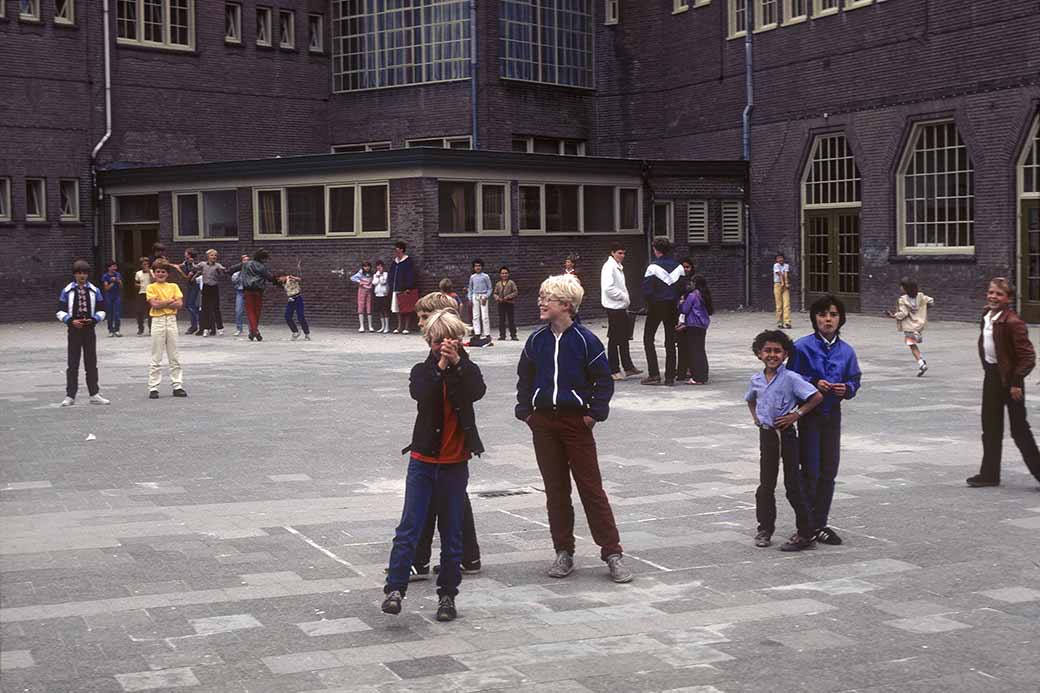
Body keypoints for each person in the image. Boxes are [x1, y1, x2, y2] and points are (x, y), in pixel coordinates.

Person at [515, 275, 632, 584]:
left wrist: (593, 415)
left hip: (575, 425)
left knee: (591, 489)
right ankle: (563, 551)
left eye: (547, 299)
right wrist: (526, 412)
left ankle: (612, 552)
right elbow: (524, 377)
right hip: (543, 425)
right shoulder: (536, 340)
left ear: (566, 306)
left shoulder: (586, 340)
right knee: (555, 490)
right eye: (541, 297)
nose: (540, 302)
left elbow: (603, 381)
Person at [382, 308, 486, 622]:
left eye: (451, 340)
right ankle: (395, 589)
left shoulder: (467, 370)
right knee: (409, 527)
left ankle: (447, 596)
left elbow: (477, 391)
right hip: (423, 461)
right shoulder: (421, 370)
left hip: (454, 463)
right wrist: (440, 365)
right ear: (429, 341)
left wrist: (457, 363)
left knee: (452, 532)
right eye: (438, 341)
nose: (445, 345)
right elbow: (422, 395)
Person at [788, 294, 861, 546]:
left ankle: (820, 522)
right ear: (814, 319)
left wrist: (847, 389)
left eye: (832, 314)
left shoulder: (846, 351)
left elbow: (854, 379)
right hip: (809, 415)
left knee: (829, 469)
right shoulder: (801, 347)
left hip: (832, 415)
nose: (827, 319)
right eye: (822, 314)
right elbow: (791, 378)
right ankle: (806, 524)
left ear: (840, 319)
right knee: (810, 470)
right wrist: (812, 382)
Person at [746, 330, 823, 551]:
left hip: (786, 436)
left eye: (777, 351)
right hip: (767, 435)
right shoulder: (757, 379)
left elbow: (816, 396)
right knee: (765, 485)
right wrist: (757, 420)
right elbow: (750, 400)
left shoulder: (791, 378)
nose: (772, 355)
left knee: (793, 485)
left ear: (785, 354)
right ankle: (765, 528)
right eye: (767, 350)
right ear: (759, 354)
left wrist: (796, 414)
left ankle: (806, 532)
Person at [967, 278, 1040, 488]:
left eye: (999, 294)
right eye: (991, 292)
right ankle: (989, 474)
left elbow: (1028, 357)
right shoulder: (987, 316)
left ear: (1008, 299)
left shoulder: (1013, 322)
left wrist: (1017, 382)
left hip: (1011, 381)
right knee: (990, 427)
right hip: (992, 376)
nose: (993, 297)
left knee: (1019, 430)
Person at [56, 260, 111, 406]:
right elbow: (59, 310)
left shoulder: (94, 290)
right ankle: (70, 395)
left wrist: (94, 319)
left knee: (91, 362)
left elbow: (102, 309)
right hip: (74, 330)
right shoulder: (67, 291)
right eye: (79, 273)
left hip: (89, 330)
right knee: (73, 363)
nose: (82, 276)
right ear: (74, 274)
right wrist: (70, 321)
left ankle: (94, 393)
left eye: (84, 273)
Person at [641, 237, 685, 386]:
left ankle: (654, 374)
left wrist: (650, 303)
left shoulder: (652, 268)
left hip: (656, 306)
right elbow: (682, 289)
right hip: (672, 306)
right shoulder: (679, 268)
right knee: (670, 341)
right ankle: (670, 377)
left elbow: (647, 290)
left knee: (648, 339)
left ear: (656, 249)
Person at [146, 261, 187, 399]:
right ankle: (153, 387)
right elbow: (154, 304)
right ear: (154, 273)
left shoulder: (173, 286)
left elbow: (180, 304)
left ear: (167, 274)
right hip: (157, 321)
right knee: (156, 355)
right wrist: (170, 301)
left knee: (174, 355)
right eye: (158, 271)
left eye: (163, 271)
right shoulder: (151, 287)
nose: (160, 274)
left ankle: (177, 385)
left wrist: (163, 303)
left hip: (171, 320)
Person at [600, 243, 640, 381]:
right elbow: (608, 288)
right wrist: (623, 297)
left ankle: (628, 367)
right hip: (614, 307)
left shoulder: (617, 267)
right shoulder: (609, 267)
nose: (622, 256)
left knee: (623, 337)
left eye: (623, 253)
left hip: (620, 306)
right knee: (615, 338)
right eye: (619, 253)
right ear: (612, 253)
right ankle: (614, 369)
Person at [886, 277, 933, 377]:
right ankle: (917, 335)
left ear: (905, 288)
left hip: (909, 326)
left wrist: (893, 316)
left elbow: (904, 313)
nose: (900, 288)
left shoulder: (903, 299)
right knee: (914, 341)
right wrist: (922, 309)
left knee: (912, 345)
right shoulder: (921, 296)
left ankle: (921, 363)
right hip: (920, 323)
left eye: (901, 286)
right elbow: (931, 301)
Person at [677, 274, 713, 385]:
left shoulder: (693, 295)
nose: (690, 284)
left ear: (696, 284)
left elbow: (685, 309)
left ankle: (698, 377)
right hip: (702, 325)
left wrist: (680, 303)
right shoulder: (704, 295)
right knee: (700, 350)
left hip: (693, 324)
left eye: (692, 282)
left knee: (694, 351)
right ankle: (703, 375)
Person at [240, 249, 278, 342]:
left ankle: (253, 331)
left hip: (248, 290)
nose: (266, 261)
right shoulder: (262, 267)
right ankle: (254, 330)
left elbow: (233, 269)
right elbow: (269, 277)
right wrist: (278, 282)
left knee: (250, 311)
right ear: (262, 258)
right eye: (265, 259)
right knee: (257, 311)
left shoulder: (246, 264)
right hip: (258, 290)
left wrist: (227, 271)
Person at [193, 249, 226, 337]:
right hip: (206, 287)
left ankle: (220, 328)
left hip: (214, 287)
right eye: (212, 255)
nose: (214, 257)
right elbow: (195, 267)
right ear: (208, 256)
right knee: (205, 308)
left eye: (215, 255)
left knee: (216, 308)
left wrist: (221, 270)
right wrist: (191, 262)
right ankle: (206, 328)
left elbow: (222, 274)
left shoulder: (217, 265)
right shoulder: (203, 264)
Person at [388, 241, 418, 334]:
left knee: (406, 308)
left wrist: (409, 287)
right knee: (397, 308)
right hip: (395, 288)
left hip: (404, 288)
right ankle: (399, 326)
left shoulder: (408, 261)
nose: (395, 250)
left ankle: (407, 327)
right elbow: (391, 274)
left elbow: (411, 274)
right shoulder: (395, 262)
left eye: (397, 248)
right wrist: (390, 283)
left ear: (401, 249)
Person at [467, 259, 493, 346]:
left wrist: (486, 296)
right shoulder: (472, 277)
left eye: (479, 266)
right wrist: (470, 298)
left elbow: (490, 288)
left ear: (482, 267)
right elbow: (470, 288)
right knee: (476, 316)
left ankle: (487, 334)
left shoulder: (485, 276)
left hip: (483, 296)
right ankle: (477, 333)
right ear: (473, 267)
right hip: (475, 296)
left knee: (485, 316)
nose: (477, 268)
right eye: (476, 266)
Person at [278, 273, 309, 341]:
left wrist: (293, 277)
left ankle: (307, 334)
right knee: (287, 316)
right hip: (291, 299)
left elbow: (299, 279)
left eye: (280, 278)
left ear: (283, 276)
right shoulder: (283, 283)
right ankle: (295, 332)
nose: (279, 280)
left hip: (298, 298)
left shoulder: (290, 278)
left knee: (300, 316)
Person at [493, 266, 519, 342]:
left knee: (511, 319)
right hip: (501, 304)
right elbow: (495, 293)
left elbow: (515, 292)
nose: (504, 275)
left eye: (506, 273)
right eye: (502, 273)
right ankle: (502, 335)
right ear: (500, 275)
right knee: (501, 320)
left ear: (508, 274)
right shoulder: (498, 284)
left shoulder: (511, 283)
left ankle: (513, 335)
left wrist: (508, 297)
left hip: (509, 303)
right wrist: (497, 298)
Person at [180, 248, 202, 335]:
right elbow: (180, 265)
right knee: (190, 305)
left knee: (190, 305)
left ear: (189, 254)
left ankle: (196, 324)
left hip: (194, 285)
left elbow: (188, 276)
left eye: (186, 253)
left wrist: (180, 272)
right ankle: (195, 324)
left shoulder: (193, 263)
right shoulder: (186, 262)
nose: (184, 254)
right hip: (190, 285)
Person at [350, 261, 375, 333]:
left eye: (368, 266)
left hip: (369, 291)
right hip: (362, 290)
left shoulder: (371, 273)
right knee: (361, 306)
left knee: (369, 307)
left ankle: (370, 326)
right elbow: (352, 278)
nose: (366, 268)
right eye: (365, 266)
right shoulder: (361, 272)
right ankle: (361, 326)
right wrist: (360, 282)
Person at [100, 260, 123, 337]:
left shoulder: (118, 274)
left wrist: (118, 281)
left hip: (117, 295)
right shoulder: (105, 276)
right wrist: (112, 283)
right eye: (113, 266)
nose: (115, 268)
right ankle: (110, 330)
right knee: (110, 313)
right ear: (109, 268)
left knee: (117, 313)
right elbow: (106, 288)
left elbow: (121, 286)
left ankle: (117, 330)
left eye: (115, 266)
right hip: (109, 296)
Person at [230, 254, 249, 336]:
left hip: (249, 292)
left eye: (248, 260)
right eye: (244, 260)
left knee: (250, 311)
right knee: (238, 311)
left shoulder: (251, 272)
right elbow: (234, 280)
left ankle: (252, 328)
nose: (246, 262)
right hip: (240, 292)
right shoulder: (238, 272)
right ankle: (239, 328)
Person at [134, 257, 153, 336]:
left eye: (147, 264)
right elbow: (135, 283)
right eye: (144, 264)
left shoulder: (152, 272)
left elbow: (153, 281)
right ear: (141, 265)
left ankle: (151, 329)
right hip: (141, 293)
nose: (146, 266)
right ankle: (140, 328)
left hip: (150, 293)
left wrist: (149, 272)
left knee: (150, 312)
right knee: (139, 311)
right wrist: (139, 285)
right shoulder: (138, 273)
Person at [773, 253, 792, 329]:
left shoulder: (786, 265)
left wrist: (786, 283)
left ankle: (787, 322)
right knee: (779, 304)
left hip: (784, 286)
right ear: (776, 260)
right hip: (778, 284)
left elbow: (785, 274)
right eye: (778, 258)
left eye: (781, 258)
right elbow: (779, 274)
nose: (780, 259)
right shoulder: (776, 265)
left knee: (786, 304)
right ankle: (779, 322)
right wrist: (783, 283)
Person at [373, 260, 390, 334]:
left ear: (383, 267)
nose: (379, 268)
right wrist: (378, 277)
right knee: (380, 311)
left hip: (384, 294)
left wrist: (381, 276)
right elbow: (374, 283)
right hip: (377, 294)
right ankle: (382, 326)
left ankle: (387, 327)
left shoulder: (386, 274)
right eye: (378, 266)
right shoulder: (375, 274)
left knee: (385, 310)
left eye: (380, 266)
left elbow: (384, 282)